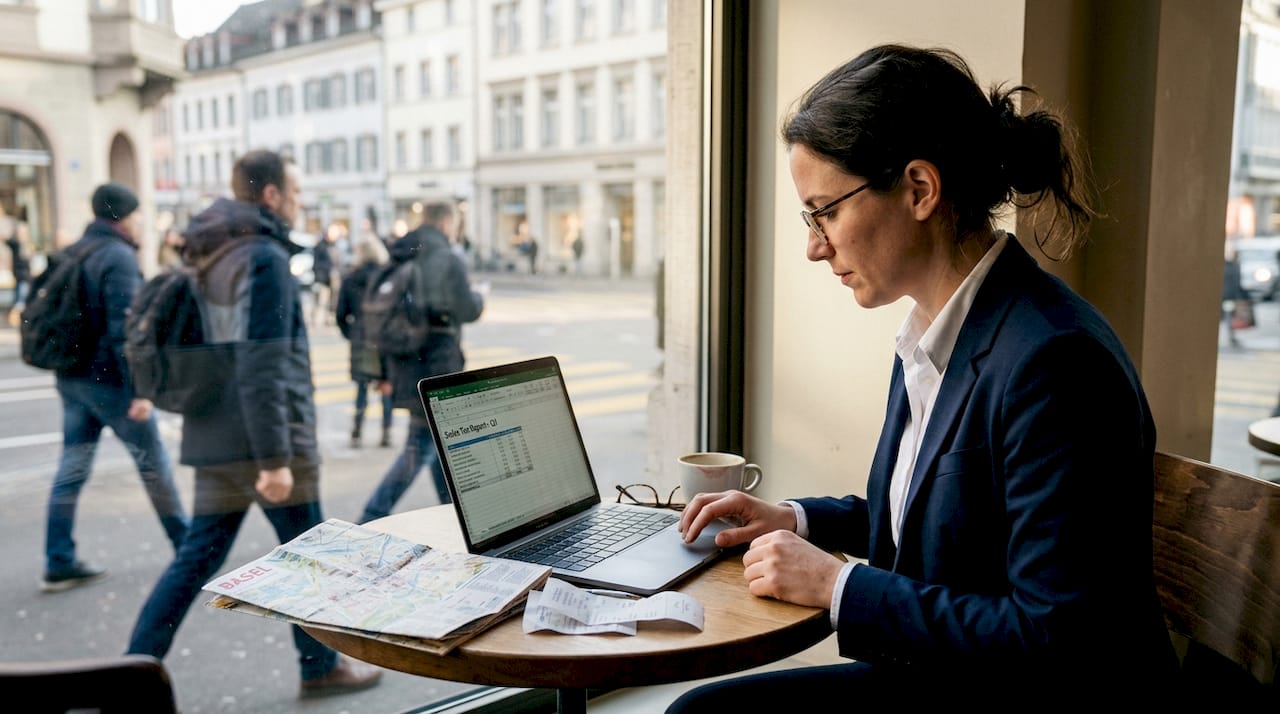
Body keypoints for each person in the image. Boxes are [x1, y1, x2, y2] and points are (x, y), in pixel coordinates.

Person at [667, 44, 1178, 710]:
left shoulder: (1054, 361)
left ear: (918, 190)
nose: (815, 245)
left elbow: (1058, 637)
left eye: (826, 212)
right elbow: (938, 519)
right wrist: (792, 517)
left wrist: (838, 587)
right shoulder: (937, 334)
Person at [125, 150, 382, 697]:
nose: (299, 201)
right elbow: (262, 361)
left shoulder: (214, 249)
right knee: (309, 555)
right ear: (270, 195)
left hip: (216, 430)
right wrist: (274, 459)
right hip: (260, 442)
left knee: (197, 559)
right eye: (294, 191)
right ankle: (319, 668)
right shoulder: (261, 257)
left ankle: (131, 671)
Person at [40, 183, 189, 593]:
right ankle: (189, 548)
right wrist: (142, 390)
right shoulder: (118, 257)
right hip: (112, 384)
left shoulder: (76, 251)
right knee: (153, 464)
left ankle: (58, 559)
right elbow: (127, 332)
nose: (141, 222)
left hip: (72, 379)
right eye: (137, 215)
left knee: (71, 470)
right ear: (123, 216)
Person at [358, 201, 485, 523]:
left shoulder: (401, 251)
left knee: (435, 443)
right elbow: (467, 309)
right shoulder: (447, 258)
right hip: (438, 365)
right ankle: (371, 515)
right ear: (446, 223)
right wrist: (480, 297)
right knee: (421, 446)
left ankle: (457, 513)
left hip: (405, 361)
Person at [335, 230, 394, 448]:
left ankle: (357, 432)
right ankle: (386, 432)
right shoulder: (387, 276)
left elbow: (341, 314)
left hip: (361, 338)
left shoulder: (350, 278)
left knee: (361, 387)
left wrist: (351, 335)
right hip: (384, 337)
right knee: (386, 385)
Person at [310, 225, 335, 326]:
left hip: (329, 278)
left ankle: (326, 320)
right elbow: (317, 264)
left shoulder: (330, 245)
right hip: (323, 279)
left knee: (328, 301)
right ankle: (317, 320)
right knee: (321, 301)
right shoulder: (321, 246)